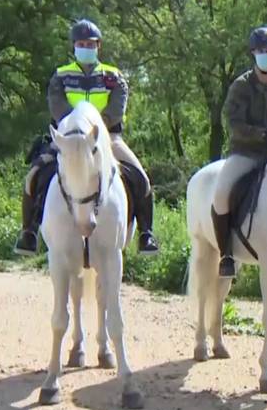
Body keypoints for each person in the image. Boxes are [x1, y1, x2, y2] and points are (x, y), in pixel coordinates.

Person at [14, 19, 159, 256]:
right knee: (33, 177)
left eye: (91, 44)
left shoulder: (114, 76)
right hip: (67, 139)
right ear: (73, 47)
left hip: (108, 138)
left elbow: (115, 110)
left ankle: (146, 234)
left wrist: (95, 132)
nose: (86, 47)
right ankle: (28, 232)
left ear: (99, 46)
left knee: (141, 178)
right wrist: (76, 132)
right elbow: (58, 108)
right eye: (81, 43)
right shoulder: (60, 76)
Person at [211, 25, 267, 278]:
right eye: (261, 51)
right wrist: (261, 134)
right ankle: (226, 254)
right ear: (253, 54)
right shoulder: (240, 86)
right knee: (220, 196)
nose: (266, 55)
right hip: (246, 153)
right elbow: (233, 122)